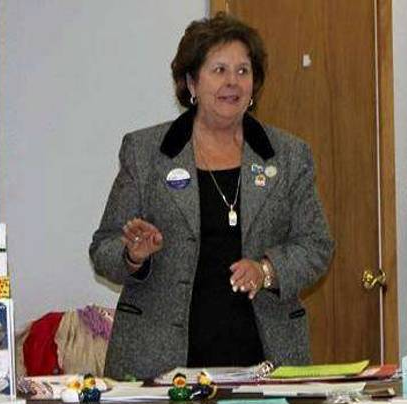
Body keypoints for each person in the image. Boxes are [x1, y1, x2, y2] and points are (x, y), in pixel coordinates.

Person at [89, 13, 334, 380]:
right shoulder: (146, 152)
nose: (232, 82)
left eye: (242, 71)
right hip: (160, 361)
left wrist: (267, 269)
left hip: (264, 356)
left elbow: (317, 245)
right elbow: (103, 248)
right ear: (191, 81)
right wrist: (133, 256)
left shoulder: (288, 156)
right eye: (219, 69)